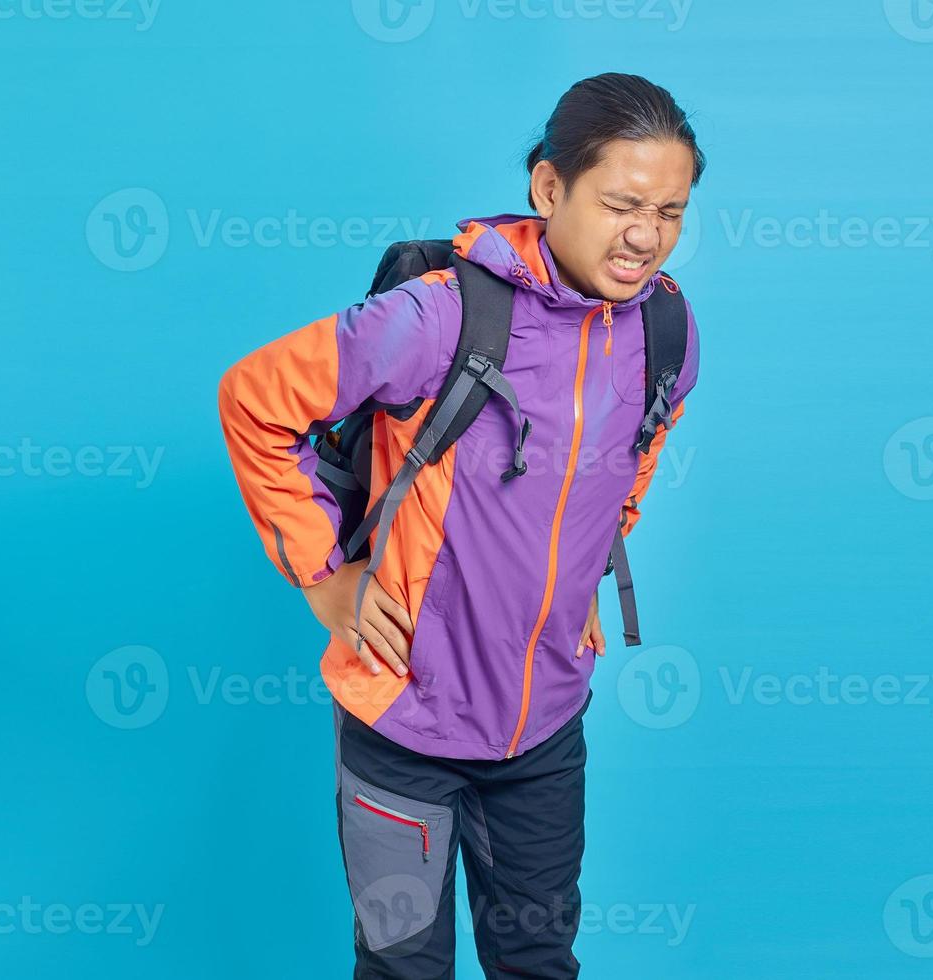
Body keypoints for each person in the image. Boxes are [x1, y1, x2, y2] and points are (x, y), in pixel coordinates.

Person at [217, 72, 705, 978]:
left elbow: (631, 457)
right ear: (549, 187)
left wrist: (583, 571)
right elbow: (254, 399)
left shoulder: (665, 330)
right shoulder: (443, 315)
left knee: (539, 960)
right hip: (404, 722)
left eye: (671, 211)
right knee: (403, 967)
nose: (645, 235)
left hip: (545, 731)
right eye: (621, 204)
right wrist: (325, 578)